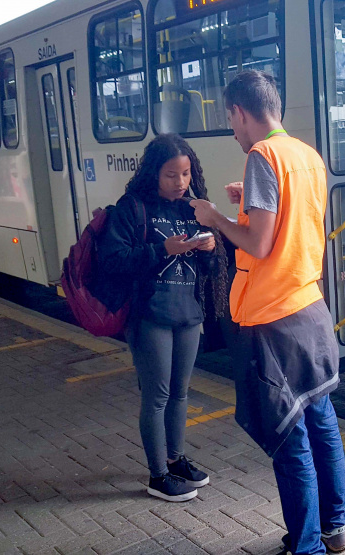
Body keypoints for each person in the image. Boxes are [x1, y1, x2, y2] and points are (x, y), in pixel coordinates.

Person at [190, 70, 345, 555]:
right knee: (322, 420)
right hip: (310, 308)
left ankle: (307, 547)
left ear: (240, 112)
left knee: (290, 437)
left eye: (230, 121)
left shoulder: (262, 156)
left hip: (273, 318)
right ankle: (335, 528)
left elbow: (259, 244)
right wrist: (247, 203)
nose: (233, 131)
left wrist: (216, 218)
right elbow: (291, 224)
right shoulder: (306, 155)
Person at [98, 133, 229, 502]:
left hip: (188, 314)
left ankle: (176, 459)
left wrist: (209, 248)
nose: (180, 182)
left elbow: (213, 268)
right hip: (150, 315)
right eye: (171, 175)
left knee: (180, 393)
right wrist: (162, 249)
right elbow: (113, 260)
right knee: (157, 397)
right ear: (153, 173)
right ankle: (158, 476)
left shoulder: (192, 208)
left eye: (185, 174)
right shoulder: (133, 207)